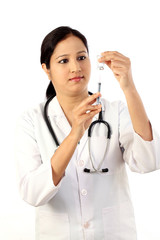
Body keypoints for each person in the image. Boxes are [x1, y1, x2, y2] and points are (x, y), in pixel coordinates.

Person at [15, 26, 160, 240]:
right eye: (64, 61)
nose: (76, 67)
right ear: (46, 69)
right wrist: (75, 133)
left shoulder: (115, 111)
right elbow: (33, 193)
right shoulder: (31, 120)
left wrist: (129, 88)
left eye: (82, 57)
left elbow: (149, 161)